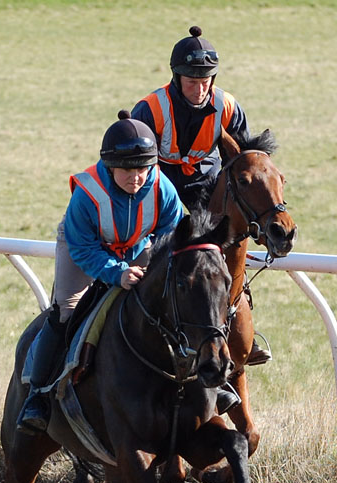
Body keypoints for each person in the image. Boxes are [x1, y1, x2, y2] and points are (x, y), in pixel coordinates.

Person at [16, 111, 185, 432]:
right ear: (110, 166)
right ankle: (37, 395)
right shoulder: (87, 194)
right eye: (127, 170)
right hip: (84, 248)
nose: (137, 177)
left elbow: (171, 233)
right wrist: (118, 273)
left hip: (135, 247)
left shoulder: (163, 187)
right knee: (66, 310)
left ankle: (205, 380)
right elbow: (83, 249)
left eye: (143, 169)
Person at [132, 25, 270, 366]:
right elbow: (136, 170)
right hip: (159, 191)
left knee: (225, 257)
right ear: (176, 78)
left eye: (206, 80)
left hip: (207, 192)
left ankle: (242, 334)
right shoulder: (150, 109)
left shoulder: (227, 105)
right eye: (192, 81)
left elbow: (240, 161)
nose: (200, 88)